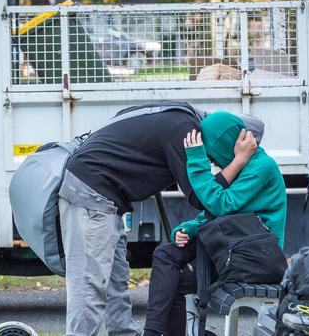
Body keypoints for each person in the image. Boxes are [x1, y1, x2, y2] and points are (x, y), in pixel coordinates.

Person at [60, 101, 241, 336]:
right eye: (216, 158)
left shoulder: (176, 115)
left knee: (115, 282)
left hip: (102, 194)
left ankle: (123, 333)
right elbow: (201, 196)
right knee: (90, 285)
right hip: (91, 193)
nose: (214, 163)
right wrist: (237, 163)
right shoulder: (185, 131)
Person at [143, 111, 288, 336]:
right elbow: (216, 211)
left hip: (253, 258)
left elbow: (222, 204)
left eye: (211, 154)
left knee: (175, 281)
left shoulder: (262, 168)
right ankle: (152, 333)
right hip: (231, 247)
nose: (211, 160)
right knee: (165, 254)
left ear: (226, 145)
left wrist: (197, 161)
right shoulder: (242, 166)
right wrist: (188, 229)